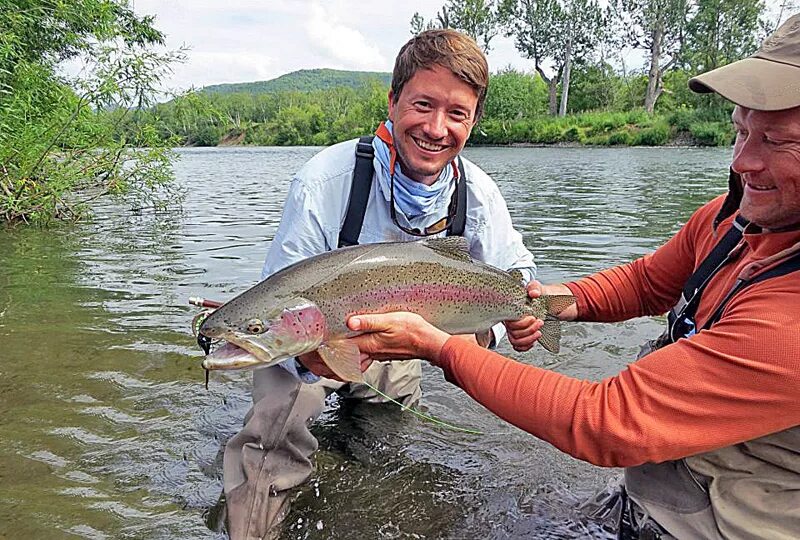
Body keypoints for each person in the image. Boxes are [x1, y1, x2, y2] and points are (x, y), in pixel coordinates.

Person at [340, 15, 800, 540]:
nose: (743, 162)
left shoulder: (790, 324)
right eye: (742, 130)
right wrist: (550, 301)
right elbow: (649, 282)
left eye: (779, 142)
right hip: (656, 491)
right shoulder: (736, 216)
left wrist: (437, 345)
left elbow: (606, 423)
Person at [219, 29, 539, 539]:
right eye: (422, 105)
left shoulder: (478, 194)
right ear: (392, 102)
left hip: (400, 345)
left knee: (387, 439)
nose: (436, 128)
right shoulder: (325, 181)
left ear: (473, 121)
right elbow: (277, 306)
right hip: (311, 337)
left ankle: (368, 506)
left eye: (456, 113)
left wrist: (509, 327)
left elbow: (518, 277)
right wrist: (306, 358)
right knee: (274, 436)